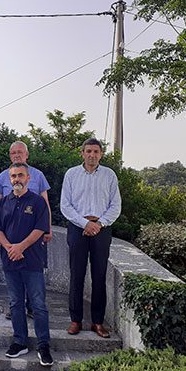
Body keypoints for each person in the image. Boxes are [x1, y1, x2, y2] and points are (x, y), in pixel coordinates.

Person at [0, 163, 53, 367]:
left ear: (28, 178)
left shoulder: (37, 202)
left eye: (20, 175)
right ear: (10, 180)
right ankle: (20, 342)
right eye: (13, 176)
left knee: (38, 305)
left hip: (33, 261)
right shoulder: (2, 203)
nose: (17, 179)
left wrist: (21, 247)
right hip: (10, 261)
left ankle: (44, 345)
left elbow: (40, 229)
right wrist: (10, 247)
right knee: (16, 303)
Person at [60, 138, 121, 339]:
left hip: (102, 229)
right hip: (78, 228)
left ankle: (97, 322)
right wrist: (85, 224)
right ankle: (75, 320)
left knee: (99, 276)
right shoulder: (71, 174)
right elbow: (65, 206)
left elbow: (115, 206)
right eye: (88, 151)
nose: (92, 155)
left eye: (96, 151)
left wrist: (99, 224)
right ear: (82, 153)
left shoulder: (109, 175)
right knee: (76, 275)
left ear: (101, 154)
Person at [0, 141, 53, 318]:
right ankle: (16, 308)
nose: (16, 155)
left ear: (27, 155)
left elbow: (45, 202)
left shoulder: (38, 175)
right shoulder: (3, 176)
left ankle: (33, 307)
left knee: (33, 270)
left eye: (20, 152)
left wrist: (47, 228)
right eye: (13, 153)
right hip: (10, 233)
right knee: (13, 271)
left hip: (33, 232)